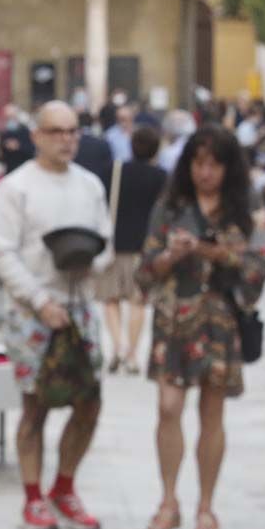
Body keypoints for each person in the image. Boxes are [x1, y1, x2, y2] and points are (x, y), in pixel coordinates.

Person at [135, 125, 265, 529]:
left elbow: (257, 269)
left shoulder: (244, 211)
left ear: (229, 168)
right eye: (197, 163)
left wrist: (212, 251)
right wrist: (171, 256)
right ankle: (168, 499)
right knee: (168, 408)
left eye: (213, 164)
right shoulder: (171, 206)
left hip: (219, 321)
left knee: (212, 414)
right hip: (175, 317)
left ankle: (206, 506)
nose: (204, 172)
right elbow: (145, 270)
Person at [0, 101, 114, 529]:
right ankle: (32, 496)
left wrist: (92, 265)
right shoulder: (15, 187)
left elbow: (107, 243)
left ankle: (65, 487)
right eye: (57, 131)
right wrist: (40, 300)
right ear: (37, 136)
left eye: (73, 131)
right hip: (33, 311)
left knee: (90, 403)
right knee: (35, 407)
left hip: (79, 305)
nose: (67, 139)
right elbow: (3, 252)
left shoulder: (90, 186)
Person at [94, 126, 167, 374]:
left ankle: (118, 347)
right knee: (138, 301)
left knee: (110, 299)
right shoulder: (161, 177)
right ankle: (133, 354)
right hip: (145, 247)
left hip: (113, 245)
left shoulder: (113, 172)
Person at [74, 111, 114, 195]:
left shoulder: (71, 144)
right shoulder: (102, 144)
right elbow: (110, 170)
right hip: (98, 189)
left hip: (75, 189)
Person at [0, 104, 35, 174]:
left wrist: (18, 147)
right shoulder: (5, 132)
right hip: (9, 169)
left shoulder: (25, 131)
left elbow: (31, 151)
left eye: (11, 117)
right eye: (7, 118)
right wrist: (5, 148)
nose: (9, 120)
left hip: (23, 169)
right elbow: (0, 157)